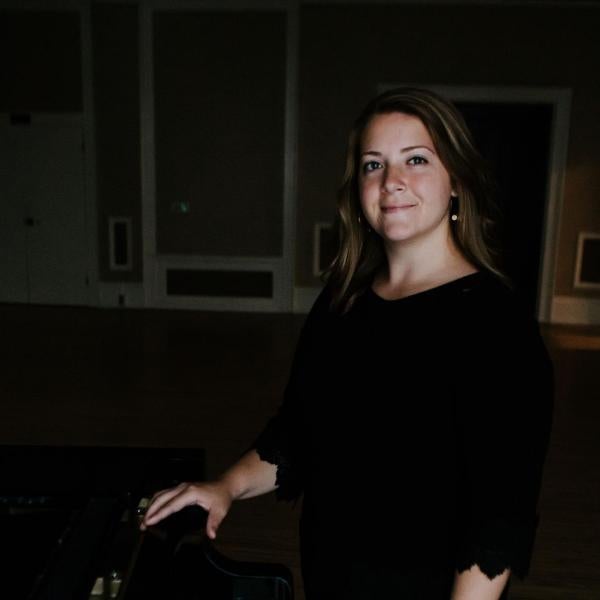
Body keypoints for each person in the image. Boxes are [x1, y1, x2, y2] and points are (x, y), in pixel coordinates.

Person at [140, 87, 554, 599]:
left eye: (417, 160)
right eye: (373, 165)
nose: (392, 182)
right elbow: (296, 434)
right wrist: (225, 486)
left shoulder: (495, 322)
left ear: (457, 184)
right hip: (332, 578)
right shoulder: (344, 300)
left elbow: (498, 518)